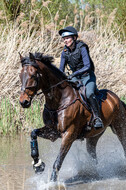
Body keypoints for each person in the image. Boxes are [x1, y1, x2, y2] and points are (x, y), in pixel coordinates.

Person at [58, 26, 104, 129]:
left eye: (68, 38)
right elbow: (61, 69)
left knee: (89, 93)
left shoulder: (82, 47)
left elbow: (87, 66)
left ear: (74, 38)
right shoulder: (64, 52)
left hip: (87, 76)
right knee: (69, 94)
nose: (65, 40)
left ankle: (97, 117)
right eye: (64, 39)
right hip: (75, 78)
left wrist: (73, 74)